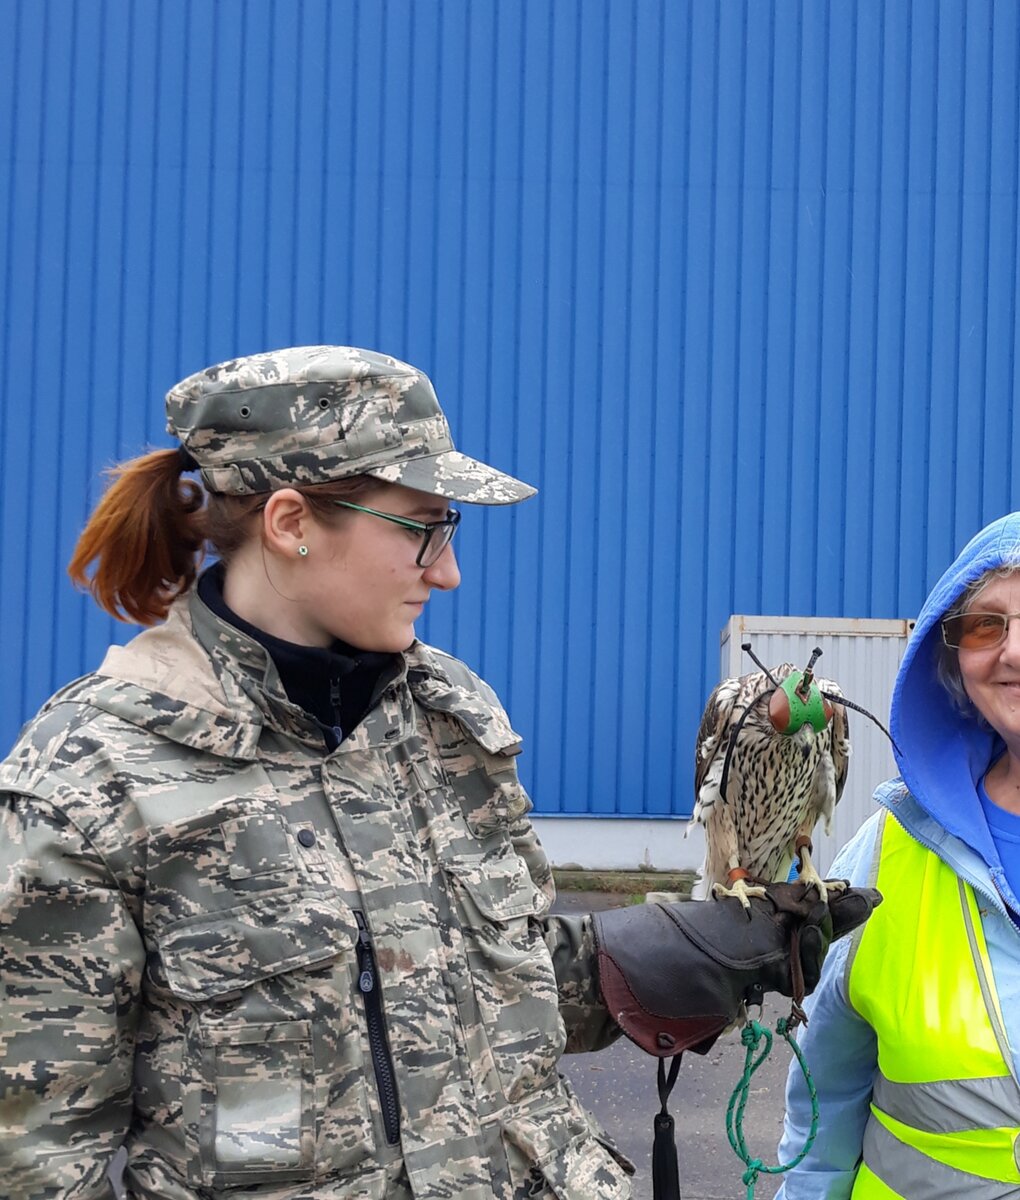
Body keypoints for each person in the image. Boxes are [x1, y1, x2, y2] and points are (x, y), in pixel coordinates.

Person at [0, 345, 877, 1200]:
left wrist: (667, 954)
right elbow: (33, 1158)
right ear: (293, 524)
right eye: (423, 529)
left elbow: (493, 984)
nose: (448, 572)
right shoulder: (91, 779)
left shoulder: (447, 713)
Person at [776, 512, 1020, 1198]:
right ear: (952, 659)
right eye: (984, 625)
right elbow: (823, 1107)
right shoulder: (889, 850)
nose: (1014, 652)